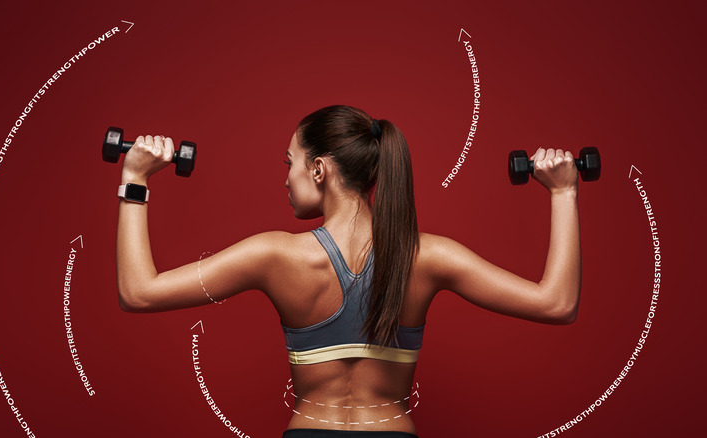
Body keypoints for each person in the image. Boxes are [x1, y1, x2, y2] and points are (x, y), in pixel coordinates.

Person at [115, 105, 581, 437]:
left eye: (290, 163)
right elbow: (557, 303)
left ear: (318, 169)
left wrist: (134, 180)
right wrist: (563, 193)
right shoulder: (428, 256)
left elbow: (138, 292)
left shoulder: (274, 256)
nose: (285, 178)